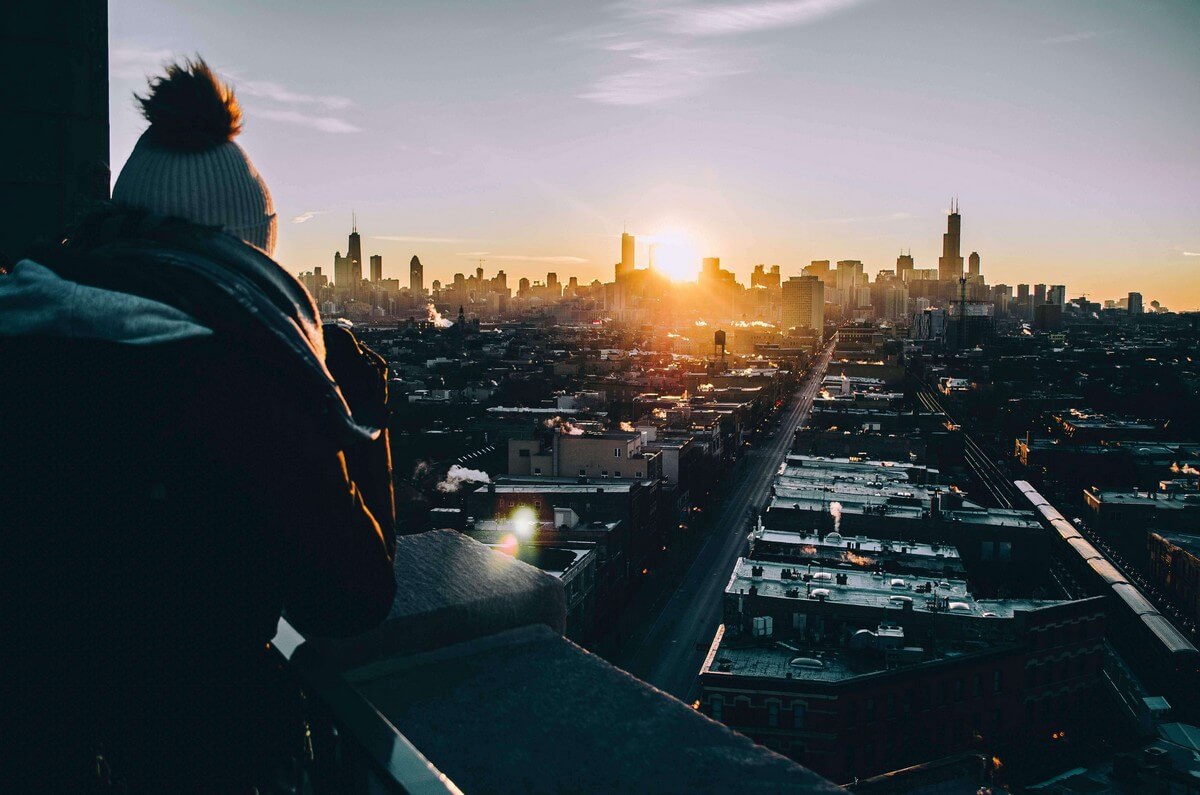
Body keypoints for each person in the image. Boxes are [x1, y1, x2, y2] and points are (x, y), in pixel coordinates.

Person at [0, 59, 396, 790]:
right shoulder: (242, 369)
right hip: (190, 756)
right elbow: (353, 595)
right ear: (249, 245)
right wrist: (359, 418)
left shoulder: (27, 322)